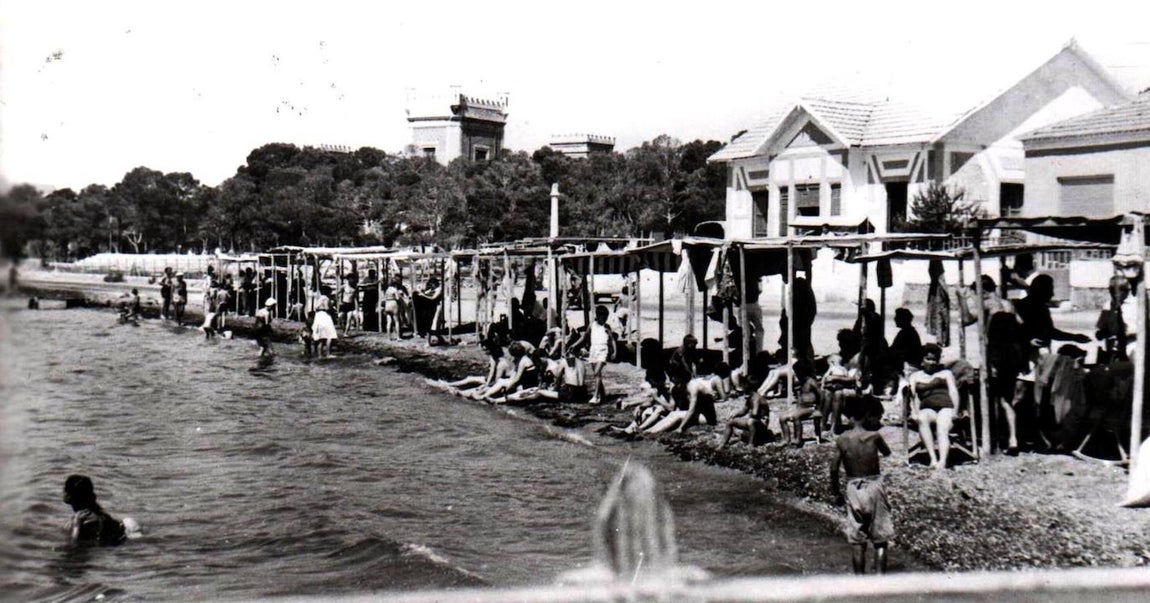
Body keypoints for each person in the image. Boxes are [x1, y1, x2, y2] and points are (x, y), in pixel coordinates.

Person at [830, 395, 893, 575]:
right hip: (874, 485)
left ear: (849, 416)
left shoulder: (842, 439)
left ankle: (860, 581)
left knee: (857, 538)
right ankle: (880, 579)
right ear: (867, 415)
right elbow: (887, 453)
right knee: (881, 537)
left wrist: (836, 493)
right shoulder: (874, 436)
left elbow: (833, 469)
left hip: (853, 487)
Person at [907, 343, 961, 470]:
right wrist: (913, 412)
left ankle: (942, 462)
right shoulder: (915, 376)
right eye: (928, 359)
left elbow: (953, 392)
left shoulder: (946, 373)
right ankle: (933, 459)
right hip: (927, 408)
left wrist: (955, 411)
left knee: (942, 427)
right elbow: (911, 396)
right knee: (922, 419)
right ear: (922, 360)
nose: (932, 362)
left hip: (946, 406)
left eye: (935, 359)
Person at [644, 363, 732, 434]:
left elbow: (691, 410)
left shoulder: (693, 386)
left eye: (673, 377)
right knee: (673, 414)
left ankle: (650, 433)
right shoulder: (677, 388)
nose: (671, 379)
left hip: (706, 416)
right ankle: (646, 431)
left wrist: (680, 428)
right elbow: (673, 407)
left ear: (679, 376)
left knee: (676, 415)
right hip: (696, 414)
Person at [63, 474, 140, 545]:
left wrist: (76, 525)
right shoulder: (100, 514)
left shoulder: (83, 521)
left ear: (68, 496)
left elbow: (74, 547)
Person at [572, 305, 616, 405]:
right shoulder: (592, 325)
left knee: (597, 372)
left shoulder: (607, 327)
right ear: (598, 316)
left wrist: (614, 351)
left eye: (606, 317)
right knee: (597, 375)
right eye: (603, 317)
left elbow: (612, 340)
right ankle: (603, 395)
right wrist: (574, 345)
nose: (604, 320)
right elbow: (584, 337)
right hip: (594, 350)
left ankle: (595, 396)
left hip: (603, 350)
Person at [778, 361, 824, 447]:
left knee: (796, 416)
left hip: (810, 408)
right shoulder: (801, 382)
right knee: (782, 417)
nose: (796, 375)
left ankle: (798, 439)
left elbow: (821, 395)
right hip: (801, 408)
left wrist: (819, 409)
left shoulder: (811, 382)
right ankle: (786, 439)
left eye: (797, 373)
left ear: (802, 372)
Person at [718, 379, 772, 449]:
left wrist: (746, 418)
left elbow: (755, 413)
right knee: (730, 422)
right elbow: (744, 411)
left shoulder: (756, 398)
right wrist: (734, 414)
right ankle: (723, 443)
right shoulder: (750, 398)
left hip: (762, 423)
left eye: (744, 387)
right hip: (755, 421)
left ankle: (751, 444)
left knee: (750, 421)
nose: (743, 390)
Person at [888, 307, 924, 374]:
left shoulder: (907, 333)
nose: (895, 319)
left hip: (908, 364)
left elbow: (897, 350)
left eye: (897, 317)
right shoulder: (907, 331)